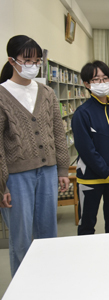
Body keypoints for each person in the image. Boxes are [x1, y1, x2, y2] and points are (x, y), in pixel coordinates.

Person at [0, 35, 70, 276]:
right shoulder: (2, 94)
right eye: (27, 60)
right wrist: (2, 186)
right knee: (20, 238)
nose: (33, 65)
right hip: (17, 177)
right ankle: (24, 291)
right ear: (12, 60)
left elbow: (58, 133)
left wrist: (62, 169)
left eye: (37, 60)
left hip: (48, 171)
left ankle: (48, 280)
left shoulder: (47, 92)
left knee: (48, 231)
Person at [72, 60, 109, 235]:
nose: (102, 83)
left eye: (105, 78)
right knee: (86, 225)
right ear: (87, 84)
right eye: (96, 79)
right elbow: (87, 151)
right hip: (90, 180)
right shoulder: (82, 113)